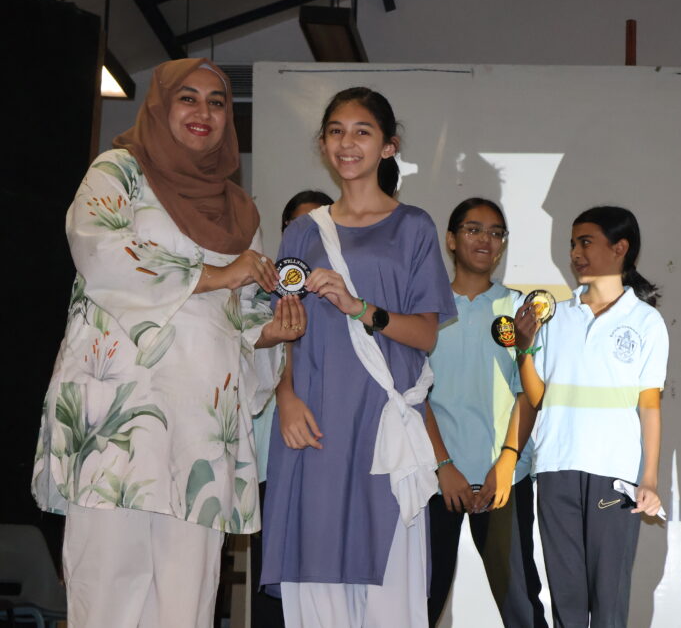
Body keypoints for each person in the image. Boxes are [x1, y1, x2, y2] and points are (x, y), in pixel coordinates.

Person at [31, 58, 304, 627]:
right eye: (188, 98)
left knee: (187, 603)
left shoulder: (240, 209)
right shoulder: (119, 172)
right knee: (106, 596)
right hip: (116, 424)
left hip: (201, 430)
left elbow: (243, 316)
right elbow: (100, 248)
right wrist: (216, 275)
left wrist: (270, 335)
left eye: (217, 101)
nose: (204, 112)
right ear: (160, 106)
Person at [260, 87, 457, 628]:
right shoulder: (303, 232)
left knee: (387, 590)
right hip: (313, 421)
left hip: (381, 424)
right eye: (336, 131)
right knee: (316, 581)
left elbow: (425, 334)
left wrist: (359, 307)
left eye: (362, 132)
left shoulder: (413, 226)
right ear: (323, 143)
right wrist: (285, 397)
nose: (347, 143)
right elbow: (282, 331)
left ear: (388, 146)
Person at [513, 205, 668, 628]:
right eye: (572, 244)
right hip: (556, 468)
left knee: (608, 601)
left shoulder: (646, 321)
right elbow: (538, 396)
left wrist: (649, 479)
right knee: (566, 600)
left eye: (586, 242)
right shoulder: (554, 317)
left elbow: (649, 406)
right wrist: (525, 348)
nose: (575, 253)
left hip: (614, 474)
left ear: (620, 248)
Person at [423, 198, 547, 627]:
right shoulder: (426, 309)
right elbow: (413, 395)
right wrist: (443, 466)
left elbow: (530, 394)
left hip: (504, 480)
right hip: (435, 479)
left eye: (496, 233)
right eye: (474, 229)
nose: (486, 240)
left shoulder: (521, 309)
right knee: (420, 603)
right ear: (451, 239)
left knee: (521, 605)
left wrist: (507, 463)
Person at [251, 189, 335, 628]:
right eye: (300, 227)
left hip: (319, 452)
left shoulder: (341, 296)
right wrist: (285, 395)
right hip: (266, 458)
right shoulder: (257, 289)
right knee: (272, 576)